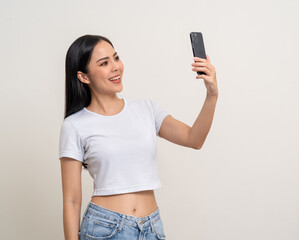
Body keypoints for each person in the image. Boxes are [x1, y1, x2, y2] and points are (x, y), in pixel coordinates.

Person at [59, 34, 218, 240]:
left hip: (152, 227)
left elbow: (193, 139)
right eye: (104, 63)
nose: (116, 67)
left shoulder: (146, 109)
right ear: (84, 77)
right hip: (105, 229)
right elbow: (71, 200)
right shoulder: (75, 125)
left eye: (116, 58)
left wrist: (212, 94)